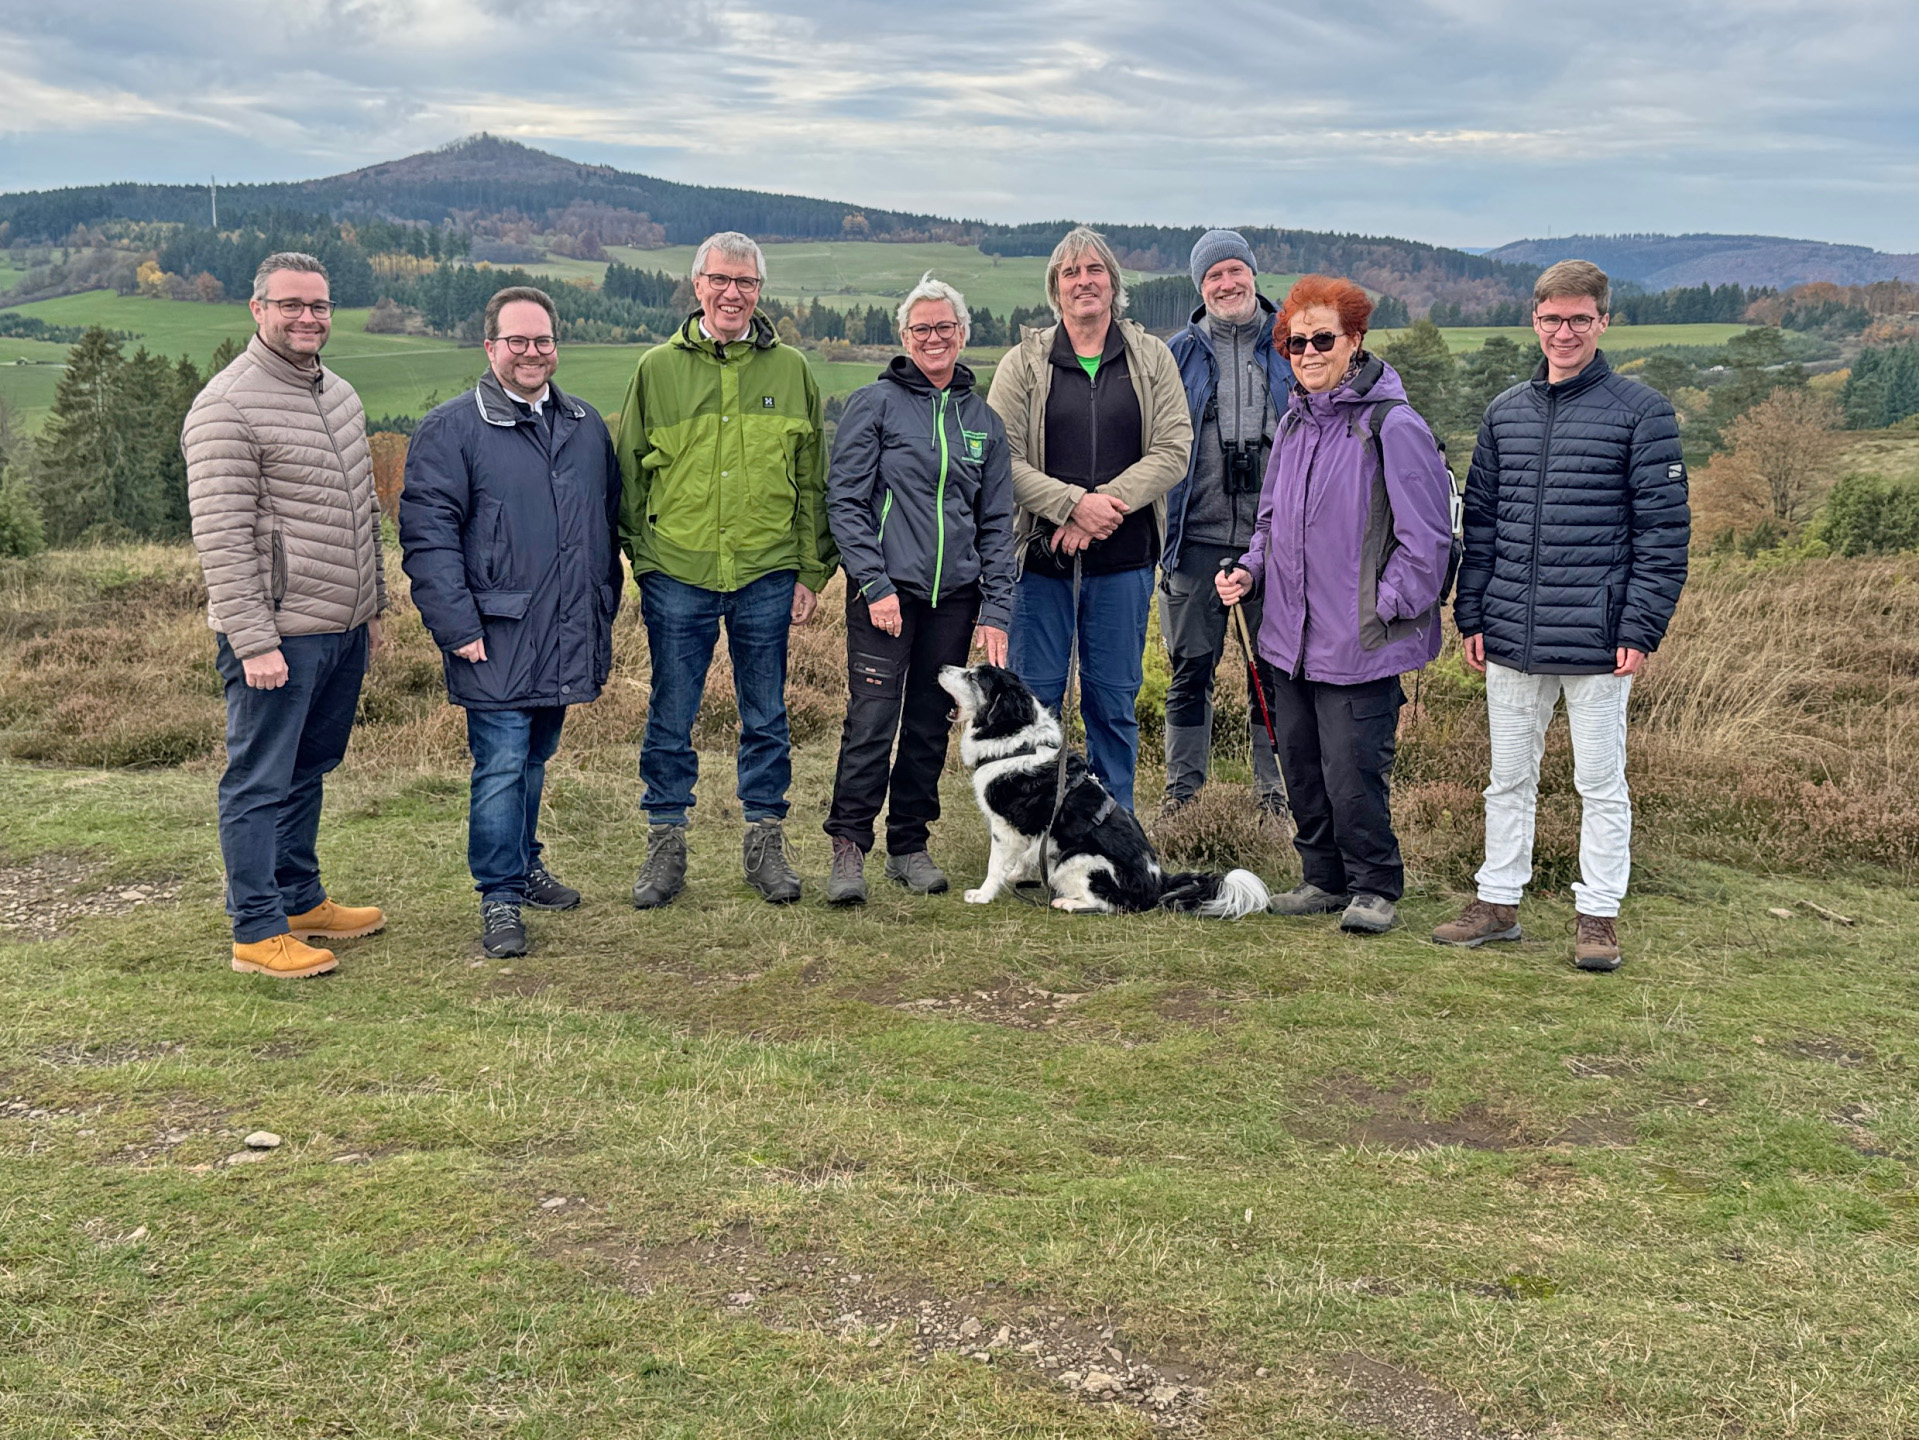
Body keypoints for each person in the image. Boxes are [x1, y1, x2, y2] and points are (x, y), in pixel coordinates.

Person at [1433, 260, 1689, 970]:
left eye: (1579, 318)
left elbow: (1663, 536)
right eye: (1551, 318)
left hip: (1601, 639)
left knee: (1599, 784)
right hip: (1510, 632)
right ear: (1533, 320)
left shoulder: (1641, 412)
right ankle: (1496, 901)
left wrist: (1638, 628)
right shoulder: (1504, 411)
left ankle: (1597, 916)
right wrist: (1472, 613)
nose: (1564, 331)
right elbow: (1478, 525)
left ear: (1603, 321)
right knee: (1506, 778)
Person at [1217, 274, 1453, 934]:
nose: (1309, 352)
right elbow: (1268, 523)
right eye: (1295, 343)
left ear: (1354, 341)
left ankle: (1374, 886)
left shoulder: (1392, 427)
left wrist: (1379, 610)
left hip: (1360, 644)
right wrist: (1247, 572)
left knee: (1353, 776)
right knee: (1302, 767)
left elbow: (1427, 541)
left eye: (1323, 339)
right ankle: (1321, 878)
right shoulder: (1292, 423)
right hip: (1286, 639)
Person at [399, 286, 624, 959]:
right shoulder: (451, 429)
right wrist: (455, 624)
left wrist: (601, 605)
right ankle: (498, 894)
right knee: (498, 762)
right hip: (492, 632)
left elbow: (603, 525)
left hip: (564, 631)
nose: (532, 352)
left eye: (543, 340)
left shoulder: (584, 426)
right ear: (490, 346)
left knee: (534, 758)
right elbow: (428, 536)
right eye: (518, 340)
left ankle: (524, 867)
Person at [614, 232, 836, 907]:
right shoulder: (657, 369)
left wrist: (809, 571)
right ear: (697, 285)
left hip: (766, 570)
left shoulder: (792, 370)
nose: (733, 293)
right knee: (671, 712)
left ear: (759, 293)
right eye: (721, 280)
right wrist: (645, 562)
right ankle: (665, 845)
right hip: (677, 570)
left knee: (766, 713)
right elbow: (628, 476)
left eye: (746, 282)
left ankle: (765, 845)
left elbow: (811, 481)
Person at [182, 251, 386, 979]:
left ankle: (301, 899)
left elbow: (363, 514)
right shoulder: (226, 406)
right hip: (277, 637)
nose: (308, 318)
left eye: (319, 306)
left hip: (342, 626)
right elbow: (224, 540)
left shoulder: (339, 395)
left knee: (310, 767)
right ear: (257, 309)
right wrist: (254, 640)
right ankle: (256, 928)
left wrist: (374, 608)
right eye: (292, 305)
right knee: (258, 779)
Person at [822, 274, 1017, 904]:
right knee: (873, 720)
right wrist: (873, 583)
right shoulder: (873, 404)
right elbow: (846, 501)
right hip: (885, 593)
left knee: (931, 724)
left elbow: (996, 522)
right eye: (921, 329)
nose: (934, 338)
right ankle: (849, 846)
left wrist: (996, 609)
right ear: (904, 338)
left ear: (963, 334)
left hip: (954, 599)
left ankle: (909, 844)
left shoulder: (983, 420)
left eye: (945, 327)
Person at [987, 226, 1192, 811]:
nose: (1084, 281)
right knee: (1034, 703)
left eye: (1094, 270)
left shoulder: (1150, 358)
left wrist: (1100, 509)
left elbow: (1173, 450)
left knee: (1111, 702)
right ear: (1055, 288)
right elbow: (1003, 460)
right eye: (1071, 273)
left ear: (1113, 283)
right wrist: (1072, 505)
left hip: (1124, 566)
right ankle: (1030, 830)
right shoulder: (1023, 363)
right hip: (1040, 564)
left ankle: (1111, 829)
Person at [1160, 229, 1291, 817]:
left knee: (1274, 673)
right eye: (1214, 275)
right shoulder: (1175, 355)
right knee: (1190, 669)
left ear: (1254, 276)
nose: (1227, 283)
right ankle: (1182, 796)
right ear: (1200, 286)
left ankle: (1276, 797)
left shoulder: (1295, 344)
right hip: (1194, 539)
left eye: (1235, 270)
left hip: (1280, 544)